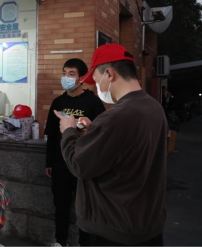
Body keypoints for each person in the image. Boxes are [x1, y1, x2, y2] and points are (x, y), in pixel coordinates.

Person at [56, 43, 167, 247]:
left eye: (96, 80)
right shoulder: (153, 107)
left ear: (109, 74)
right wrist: (94, 131)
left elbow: (79, 165)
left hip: (112, 231)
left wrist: (68, 131)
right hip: (147, 225)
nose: (96, 88)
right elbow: (127, 148)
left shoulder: (116, 116)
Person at [44, 57, 106, 247]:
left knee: (85, 209)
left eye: (71, 74)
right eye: (64, 73)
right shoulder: (58, 102)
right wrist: (49, 162)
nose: (66, 77)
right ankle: (60, 241)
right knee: (61, 206)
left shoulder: (93, 103)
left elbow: (101, 136)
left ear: (81, 78)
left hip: (84, 165)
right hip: (61, 164)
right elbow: (52, 135)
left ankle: (85, 244)